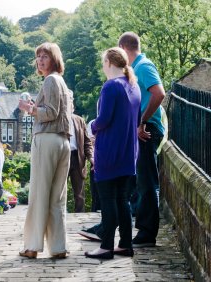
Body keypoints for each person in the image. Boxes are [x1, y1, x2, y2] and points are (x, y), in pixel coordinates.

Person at [84, 47, 141, 260]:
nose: (102, 67)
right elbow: (137, 119)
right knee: (123, 200)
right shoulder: (134, 87)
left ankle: (106, 246)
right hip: (128, 153)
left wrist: (90, 126)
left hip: (109, 152)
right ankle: (125, 244)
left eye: (103, 63)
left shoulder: (110, 87)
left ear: (108, 62)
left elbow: (104, 119)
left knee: (108, 200)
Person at [18, 42, 72, 259]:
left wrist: (30, 109)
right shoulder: (61, 82)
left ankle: (32, 246)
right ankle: (58, 247)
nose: (40, 60)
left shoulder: (50, 80)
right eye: (38, 56)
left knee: (39, 194)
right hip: (63, 142)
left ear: (54, 59)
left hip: (47, 139)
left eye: (45, 56)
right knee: (57, 198)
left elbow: (50, 112)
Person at [119, 32, 166, 247]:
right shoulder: (136, 68)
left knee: (147, 183)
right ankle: (133, 228)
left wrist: (142, 121)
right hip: (140, 130)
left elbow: (159, 94)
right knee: (139, 183)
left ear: (123, 47)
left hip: (147, 130)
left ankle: (147, 234)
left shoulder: (144, 66)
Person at [68, 95, 94, 213]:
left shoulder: (79, 120)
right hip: (63, 157)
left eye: (71, 103)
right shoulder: (58, 120)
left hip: (78, 158)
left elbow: (87, 142)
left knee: (79, 194)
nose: (70, 106)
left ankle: (80, 218)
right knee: (59, 192)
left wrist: (91, 157)